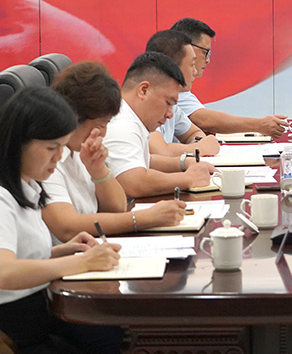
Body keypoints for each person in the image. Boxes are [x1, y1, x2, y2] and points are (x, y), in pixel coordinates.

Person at [0, 86, 123, 354]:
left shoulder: (24, 183)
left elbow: (15, 254)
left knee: (115, 339)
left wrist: (64, 251)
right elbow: (4, 273)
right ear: (19, 142)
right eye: (52, 148)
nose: (58, 157)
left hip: (33, 317)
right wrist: (81, 263)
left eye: (62, 147)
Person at [42, 61, 187, 242]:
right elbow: (67, 228)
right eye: (101, 124)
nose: (103, 133)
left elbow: (118, 207)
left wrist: (99, 170)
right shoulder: (46, 158)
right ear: (74, 116)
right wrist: (142, 219)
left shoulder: (80, 149)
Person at [102, 52, 213, 199]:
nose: (170, 114)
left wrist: (184, 163)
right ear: (144, 90)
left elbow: (145, 160)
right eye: (168, 103)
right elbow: (134, 182)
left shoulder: (130, 117)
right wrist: (189, 178)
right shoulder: (122, 124)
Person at [170, 18, 290, 137]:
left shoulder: (182, 91)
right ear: (186, 48)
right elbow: (205, 120)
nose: (208, 60)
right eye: (206, 52)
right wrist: (259, 125)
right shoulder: (169, 85)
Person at [143, 29, 220, 171]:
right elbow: (160, 151)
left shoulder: (173, 103)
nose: (195, 72)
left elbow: (194, 133)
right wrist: (199, 148)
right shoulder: (146, 104)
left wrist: (198, 143)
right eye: (192, 65)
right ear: (171, 66)